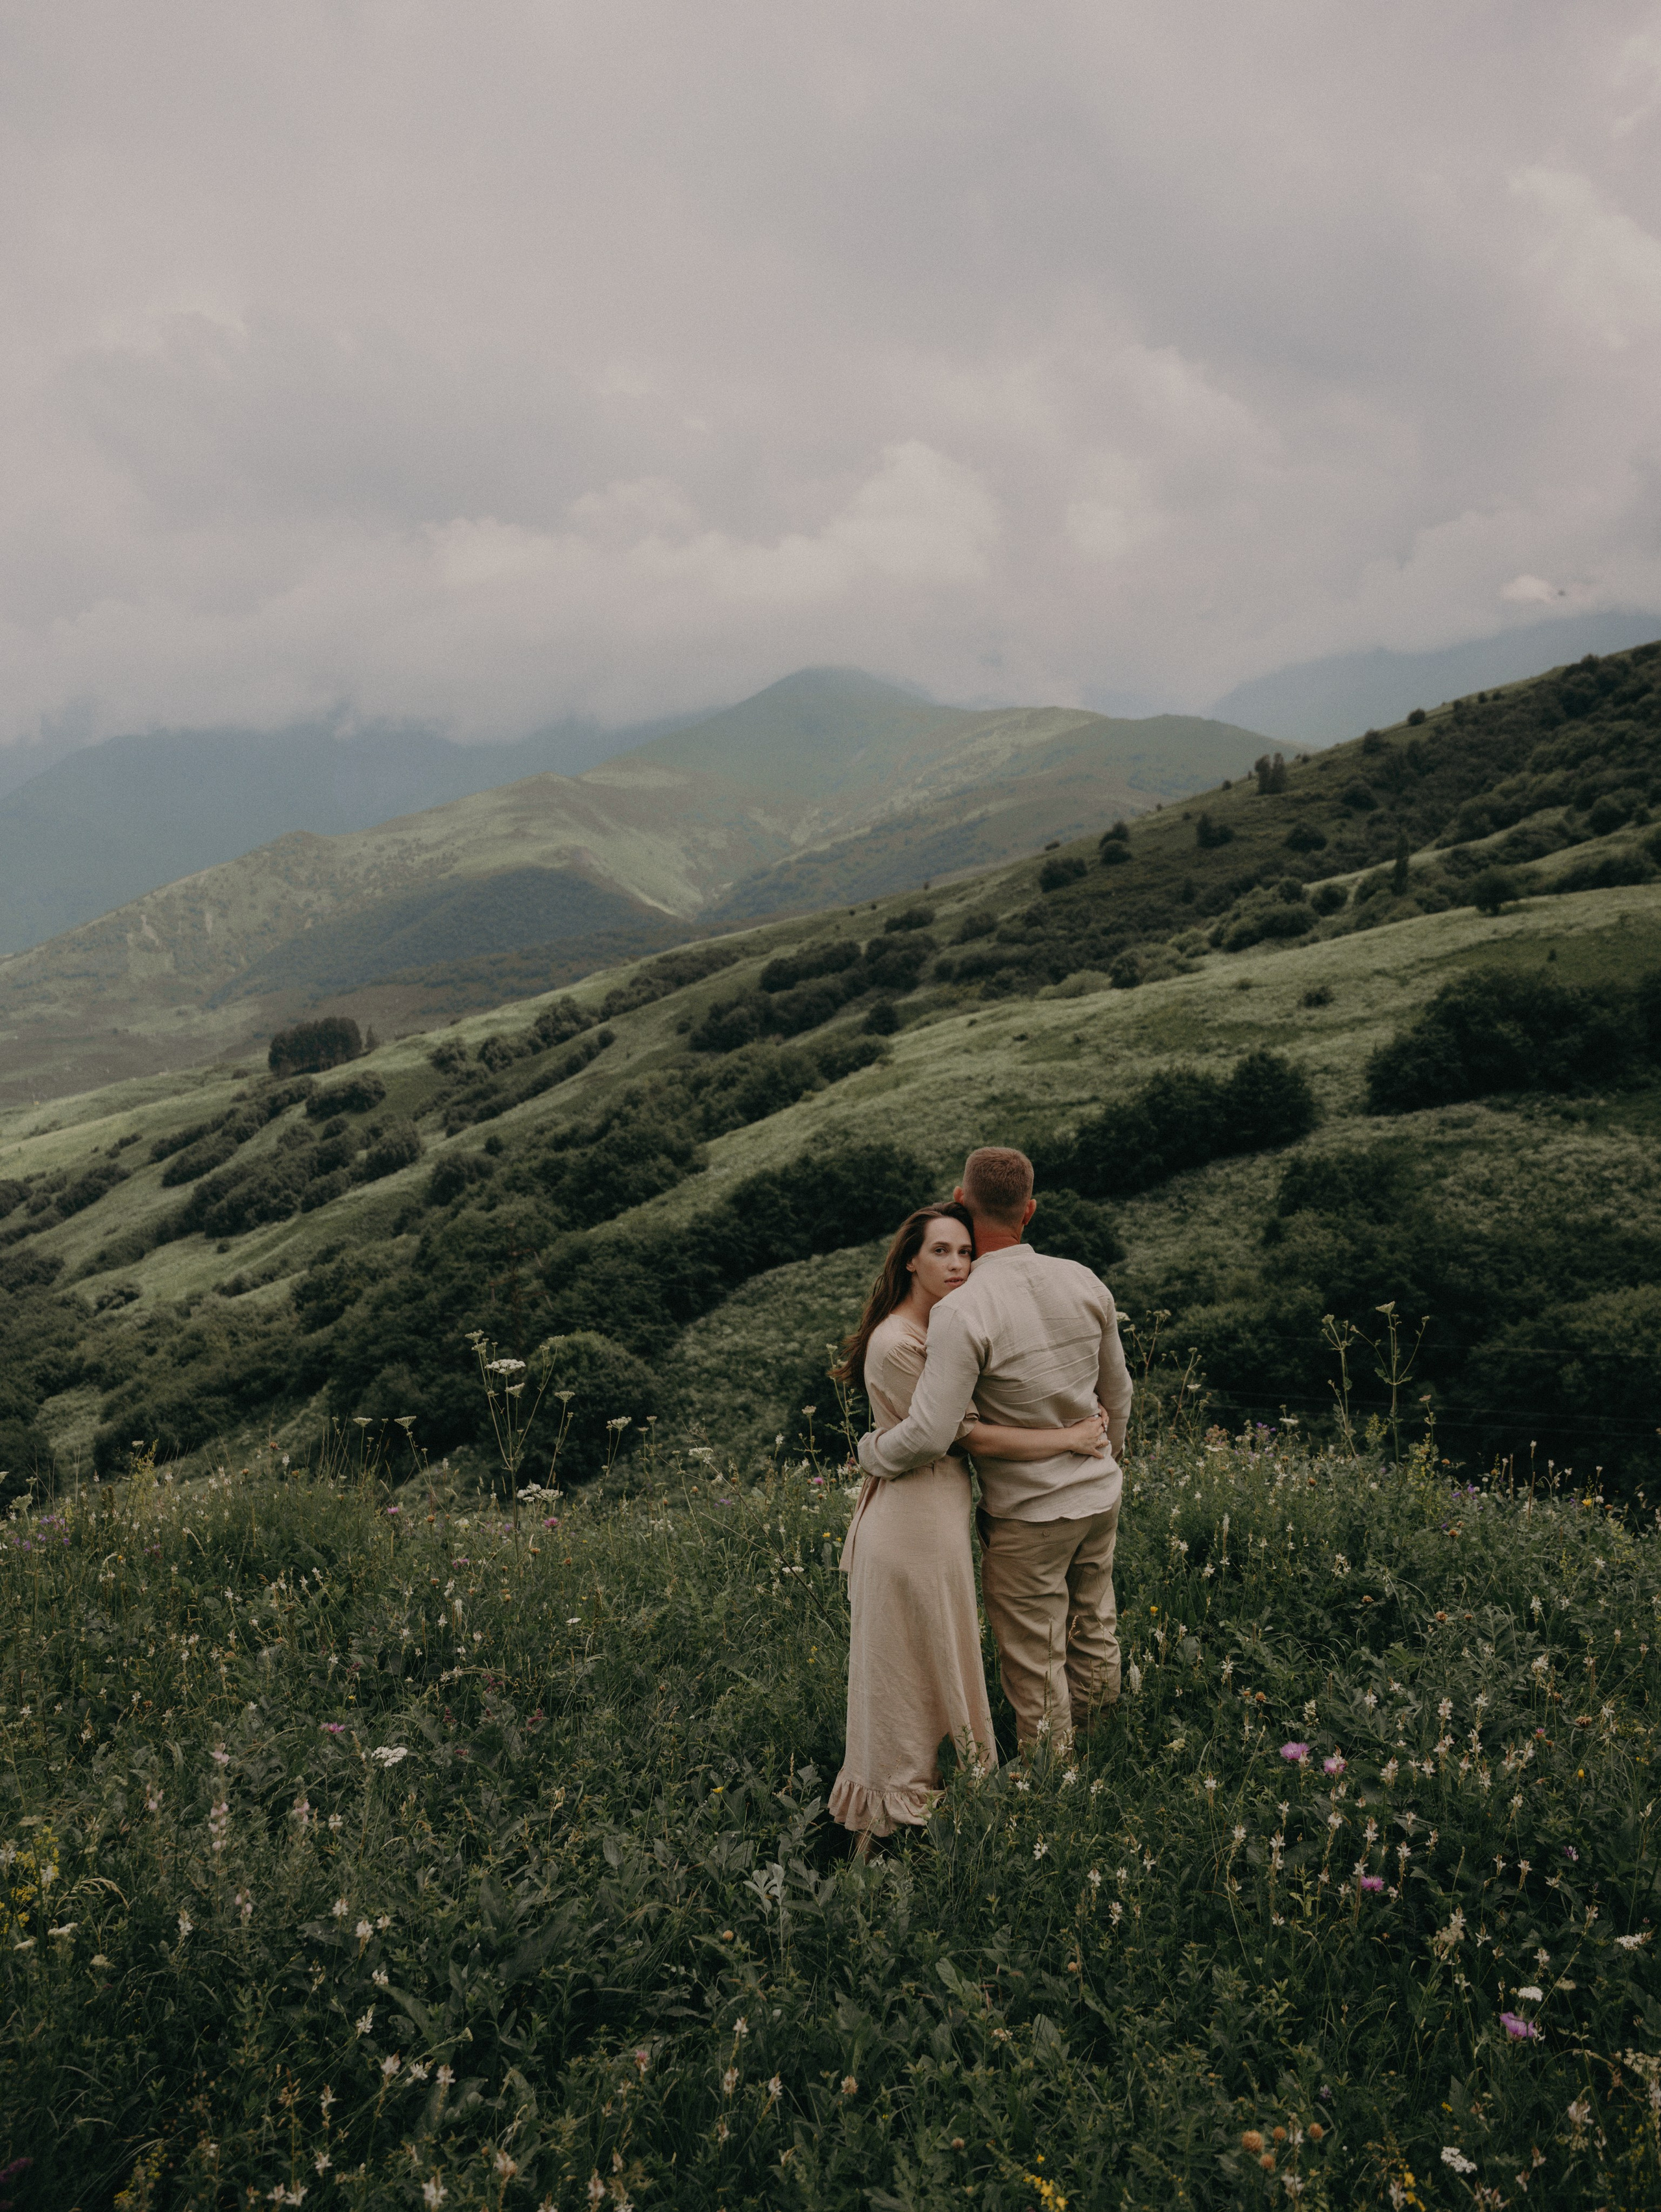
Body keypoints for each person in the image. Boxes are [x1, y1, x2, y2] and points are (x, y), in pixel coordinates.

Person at [827, 1203, 1111, 1851]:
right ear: (910, 1260)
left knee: (935, 1659)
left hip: (936, 1514)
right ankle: (898, 1809)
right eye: (940, 1251)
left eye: (965, 1252)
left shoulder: (943, 1328)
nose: (957, 1264)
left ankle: (932, 1802)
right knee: (911, 1667)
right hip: (912, 1522)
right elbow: (960, 1435)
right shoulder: (899, 1342)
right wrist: (1068, 1435)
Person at [856, 1148, 1133, 1753]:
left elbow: (932, 1434)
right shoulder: (1083, 1279)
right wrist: (1103, 1457)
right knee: (1094, 1626)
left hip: (1028, 1512)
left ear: (962, 1201)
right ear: (1029, 1211)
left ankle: (1053, 1777)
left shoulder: (962, 1309)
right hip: (1098, 1493)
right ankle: (1103, 1749)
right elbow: (1120, 1392)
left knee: (1036, 1654)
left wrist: (872, 1452)